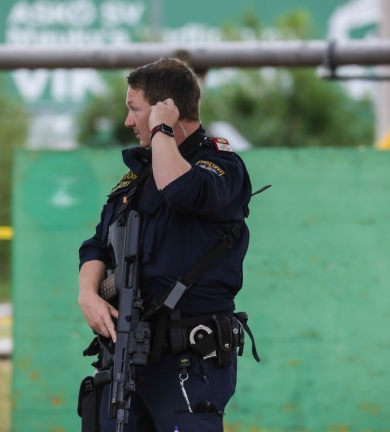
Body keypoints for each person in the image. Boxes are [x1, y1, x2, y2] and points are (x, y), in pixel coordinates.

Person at [78, 57, 257, 432]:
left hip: (188, 365)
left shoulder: (221, 167)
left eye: (134, 109)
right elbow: (96, 245)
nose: (128, 121)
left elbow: (180, 191)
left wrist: (162, 130)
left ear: (166, 110)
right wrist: (88, 294)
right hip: (127, 359)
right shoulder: (136, 178)